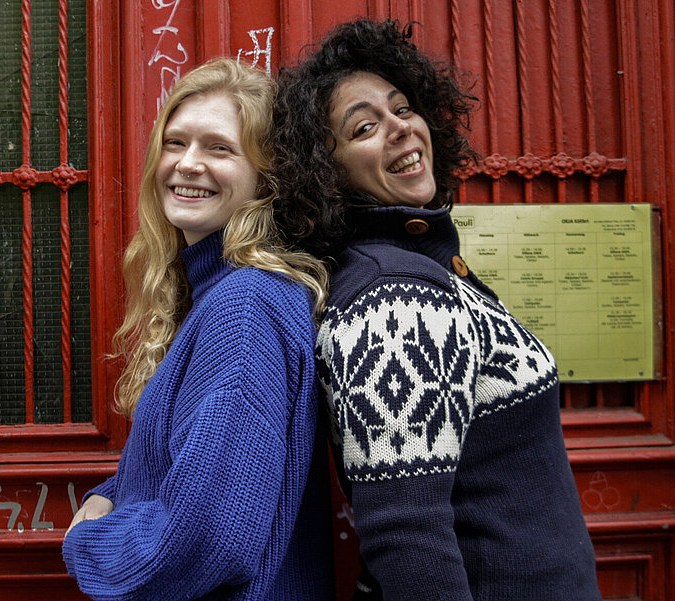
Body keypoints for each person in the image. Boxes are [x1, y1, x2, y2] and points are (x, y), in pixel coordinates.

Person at [273, 19, 601, 601]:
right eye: (365, 127)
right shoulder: (394, 296)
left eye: (402, 109)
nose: (399, 128)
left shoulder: (420, 265)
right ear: (327, 173)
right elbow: (407, 534)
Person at [63, 57, 334, 601]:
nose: (188, 164)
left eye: (220, 148)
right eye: (175, 143)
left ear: (266, 176)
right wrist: (115, 492)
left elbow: (209, 535)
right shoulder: (215, 292)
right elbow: (200, 465)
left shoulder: (245, 308)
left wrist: (90, 540)